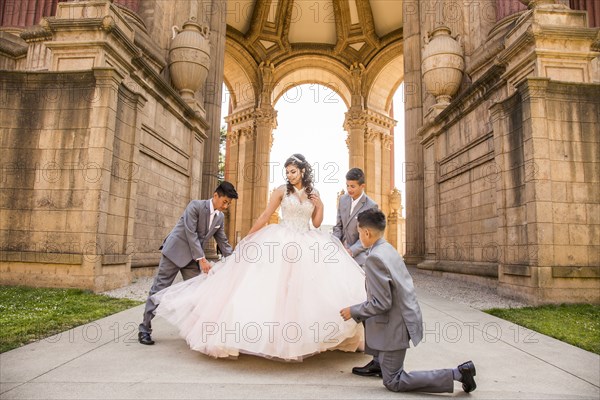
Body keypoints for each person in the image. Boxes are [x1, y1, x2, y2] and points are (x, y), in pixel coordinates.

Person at [150, 154, 367, 361]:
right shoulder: (281, 191)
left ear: (302, 171)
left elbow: (317, 223)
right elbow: (265, 215)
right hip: (281, 239)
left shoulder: (314, 193)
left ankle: (303, 338)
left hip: (306, 241)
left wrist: (320, 205)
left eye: (293, 171)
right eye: (287, 172)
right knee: (271, 289)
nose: (290, 175)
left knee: (303, 292)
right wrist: (248, 238)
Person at [340, 209, 477, 393]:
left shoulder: (374, 258)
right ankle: (380, 363)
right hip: (404, 317)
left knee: (393, 381)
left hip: (395, 328)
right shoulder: (387, 249)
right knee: (373, 330)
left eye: (358, 232)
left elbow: (382, 303)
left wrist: (353, 312)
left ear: (367, 233)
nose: (358, 236)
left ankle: (458, 373)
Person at [138, 181, 239, 345]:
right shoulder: (195, 206)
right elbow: (190, 233)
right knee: (158, 290)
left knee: (198, 293)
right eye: (225, 201)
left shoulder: (219, 217)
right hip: (174, 252)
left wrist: (234, 260)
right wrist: (202, 259)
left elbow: (223, 242)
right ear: (216, 195)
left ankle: (195, 332)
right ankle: (144, 329)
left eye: (229, 203)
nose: (226, 206)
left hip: (192, 259)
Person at [332, 167, 380, 377]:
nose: (349, 190)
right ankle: (339, 337)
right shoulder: (342, 200)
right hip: (340, 253)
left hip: (359, 257)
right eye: (347, 186)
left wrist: (352, 250)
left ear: (362, 186)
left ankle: (365, 344)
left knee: (360, 296)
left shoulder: (371, 205)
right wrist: (335, 243)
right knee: (336, 293)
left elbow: (369, 236)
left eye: (353, 186)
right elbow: (338, 226)